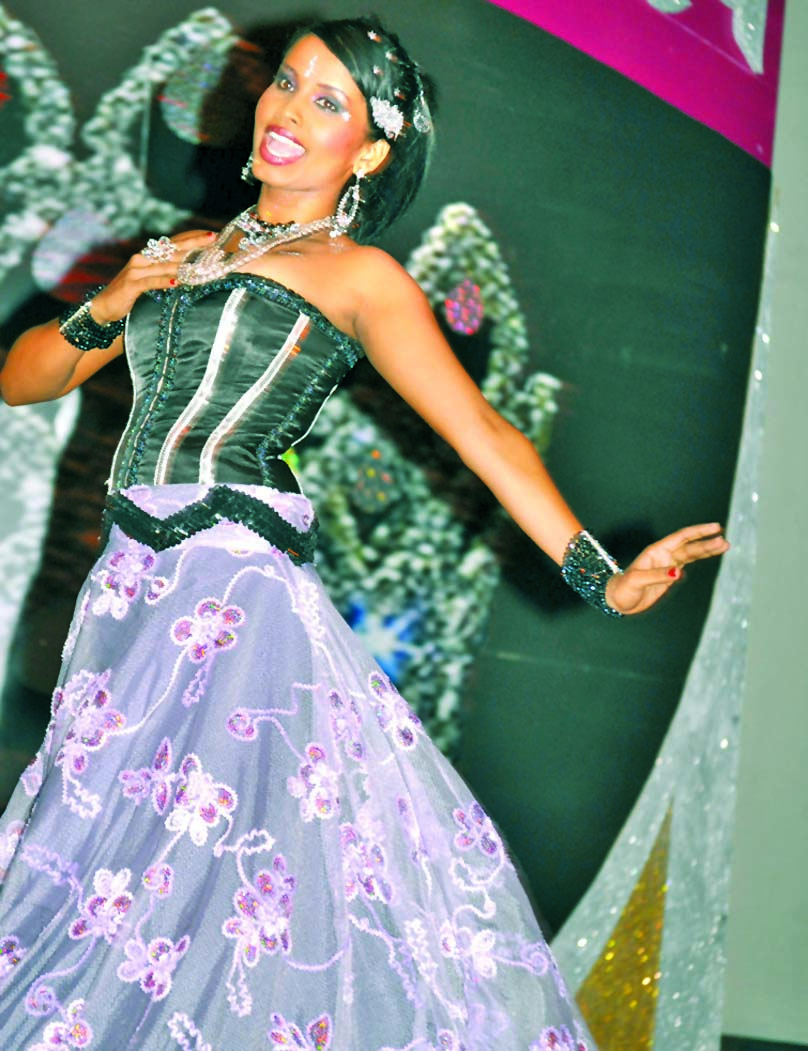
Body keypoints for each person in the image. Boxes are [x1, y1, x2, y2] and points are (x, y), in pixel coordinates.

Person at [0, 16, 728, 1051]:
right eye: (286, 81)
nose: (288, 109)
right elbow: (23, 379)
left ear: (372, 152)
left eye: (328, 101)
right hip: (127, 595)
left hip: (229, 594)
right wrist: (110, 301)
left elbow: (483, 431)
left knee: (209, 881)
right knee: (110, 869)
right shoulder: (179, 254)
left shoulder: (358, 277)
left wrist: (597, 575)